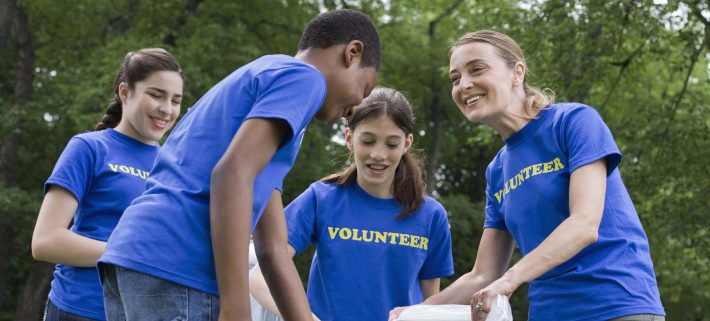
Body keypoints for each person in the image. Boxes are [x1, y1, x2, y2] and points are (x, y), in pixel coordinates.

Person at [98, 9, 380, 321]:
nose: (356, 107)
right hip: (178, 266)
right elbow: (230, 175)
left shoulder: (271, 97)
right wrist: (236, 307)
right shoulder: (304, 78)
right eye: (364, 89)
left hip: (135, 258)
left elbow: (272, 248)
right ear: (352, 53)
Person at [391, 30, 664, 321]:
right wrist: (417, 312)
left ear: (517, 72)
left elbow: (584, 223)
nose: (464, 85)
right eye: (455, 78)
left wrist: (509, 281)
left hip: (616, 305)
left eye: (477, 69)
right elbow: (484, 274)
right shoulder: (497, 171)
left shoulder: (573, 122)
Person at [250, 88, 454, 321]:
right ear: (349, 138)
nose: (378, 154)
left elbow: (431, 307)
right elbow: (259, 278)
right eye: (367, 141)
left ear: (407, 143)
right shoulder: (321, 199)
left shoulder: (431, 215)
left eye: (392, 144)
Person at [31, 48, 183, 321]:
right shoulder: (89, 148)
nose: (167, 109)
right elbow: (45, 241)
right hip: (79, 309)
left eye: (176, 100)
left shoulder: (176, 166)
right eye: (156, 95)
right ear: (125, 92)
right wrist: (134, 252)